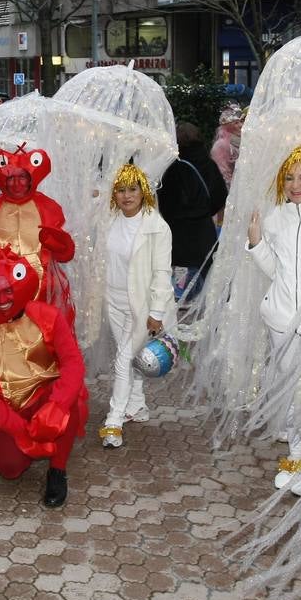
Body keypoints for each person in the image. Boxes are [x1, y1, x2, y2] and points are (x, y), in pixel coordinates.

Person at [0, 245, 89, 508]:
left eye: (8, 291)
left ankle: (57, 469)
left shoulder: (48, 316)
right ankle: (35, 445)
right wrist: (22, 429)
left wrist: (56, 407)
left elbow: (73, 364)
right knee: (9, 469)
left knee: (71, 406)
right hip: (11, 410)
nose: (1, 300)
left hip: (46, 397)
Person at [246, 144, 301, 493]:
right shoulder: (275, 218)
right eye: (291, 177)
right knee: (293, 389)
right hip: (281, 318)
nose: (297, 185)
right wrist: (256, 243)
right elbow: (274, 271)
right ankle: (296, 456)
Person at [99, 162, 174, 450]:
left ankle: (114, 422)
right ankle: (138, 406)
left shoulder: (157, 228)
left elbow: (162, 273)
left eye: (132, 189)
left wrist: (156, 312)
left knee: (122, 360)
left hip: (141, 307)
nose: (127, 196)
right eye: (120, 190)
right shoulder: (109, 219)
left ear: (143, 191)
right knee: (127, 358)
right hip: (114, 301)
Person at [0, 145, 77, 326]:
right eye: (11, 178)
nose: (17, 184)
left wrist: (59, 244)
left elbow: (65, 255)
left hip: (43, 291)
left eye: (22, 178)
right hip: (2, 294)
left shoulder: (50, 208)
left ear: (31, 179)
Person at [157, 122, 228, 301]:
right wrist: (204, 212)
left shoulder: (173, 167)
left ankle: (179, 323)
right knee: (206, 287)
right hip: (205, 234)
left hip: (178, 237)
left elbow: (165, 202)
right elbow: (220, 196)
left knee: (180, 292)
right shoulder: (209, 164)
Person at [210, 103, 245, 187]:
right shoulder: (221, 145)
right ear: (228, 127)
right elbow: (223, 174)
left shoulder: (245, 140)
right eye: (236, 123)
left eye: (241, 121)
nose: (241, 125)